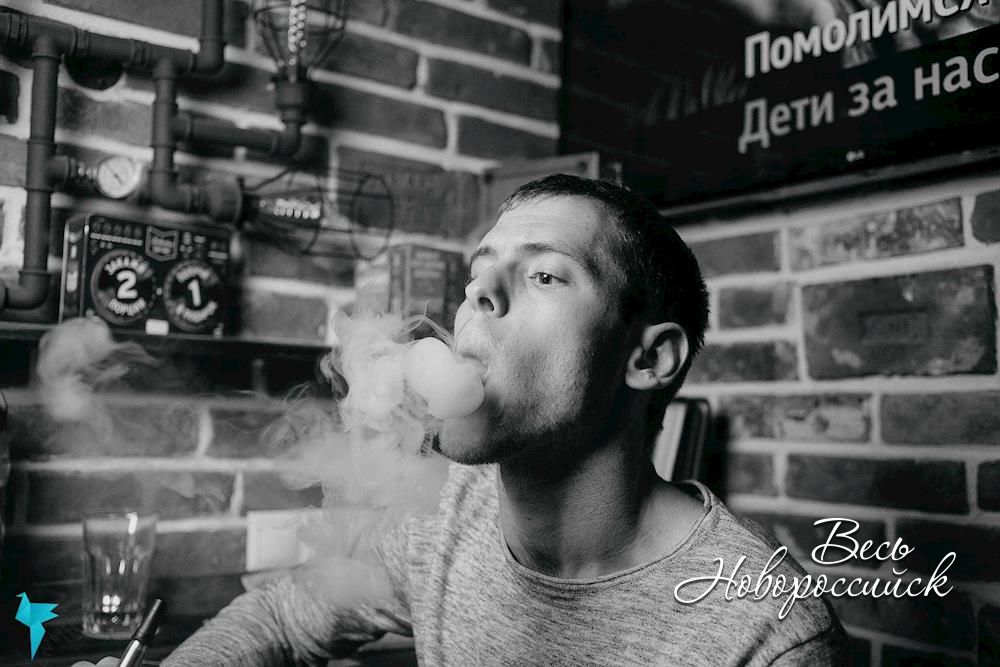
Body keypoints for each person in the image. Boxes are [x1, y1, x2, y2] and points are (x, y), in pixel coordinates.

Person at [73, 175, 847, 666]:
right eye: (478, 274)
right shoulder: (444, 516)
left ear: (647, 359)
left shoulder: (764, 632)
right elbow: (281, 614)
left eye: (544, 274)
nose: (478, 294)